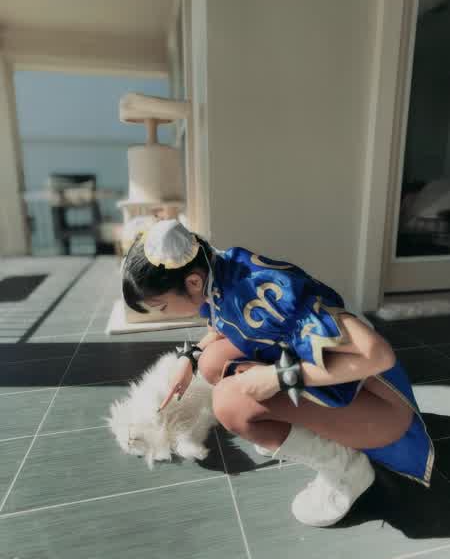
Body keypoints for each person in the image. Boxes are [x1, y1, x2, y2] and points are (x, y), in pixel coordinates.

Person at [121, 219, 435, 528]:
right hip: (343, 384)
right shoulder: (219, 268)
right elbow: (223, 325)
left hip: (382, 409)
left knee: (230, 404)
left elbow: (377, 354)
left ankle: (346, 469)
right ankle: (302, 428)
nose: (162, 314)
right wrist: (189, 359)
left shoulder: (266, 292)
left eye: (162, 307)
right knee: (211, 361)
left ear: (191, 282)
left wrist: (277, 377)